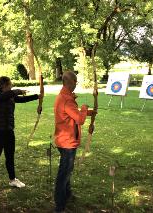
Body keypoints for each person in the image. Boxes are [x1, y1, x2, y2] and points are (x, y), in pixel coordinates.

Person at [0, 76, 43, 201]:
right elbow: (6, 95)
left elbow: (21, 100)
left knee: (10, 156)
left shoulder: (10, 96)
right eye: (9, 85)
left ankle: (12, 180)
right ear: (3, 85)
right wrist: (17, 90)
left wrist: (37, 96)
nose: (11, 87)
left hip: (9, 131)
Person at [53, 71, 97, 212]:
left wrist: (89, 112)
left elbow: (72, 113)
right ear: (69, 82)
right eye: (75, 82)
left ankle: (67, 195)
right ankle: (59, 205)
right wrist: (84, 108)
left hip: (64, 140)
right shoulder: (66, 99)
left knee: (67, 170)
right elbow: (79, 119)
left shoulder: (65, 97)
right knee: (64, 173)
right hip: (67, 143)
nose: (76, 84)